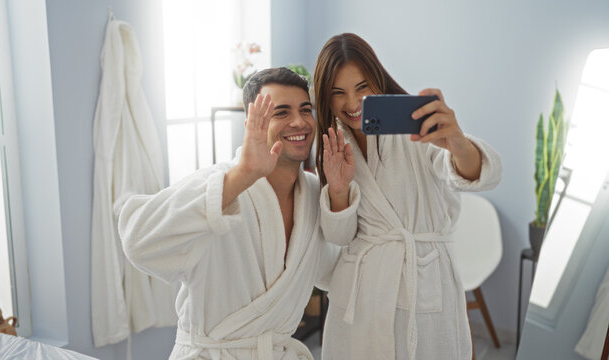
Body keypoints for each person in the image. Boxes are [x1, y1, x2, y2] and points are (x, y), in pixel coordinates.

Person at [118, 67, 359, 360]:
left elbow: (335, 272)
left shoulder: (311, 193)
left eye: (305, 109)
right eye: (280, 112)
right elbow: (138, 241)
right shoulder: (220, 185)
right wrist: (243, 174)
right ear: (251, 123)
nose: (299, 122)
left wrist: (339, 194)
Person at [313, 33, 503, 360]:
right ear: (324, 98)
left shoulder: (414, 127)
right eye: (337, 93)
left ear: (378, 79)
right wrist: (339, 189)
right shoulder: (332, 144)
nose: (352, 104)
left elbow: (478, 175)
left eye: (362, 88)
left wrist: (457, 142)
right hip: (360, 294)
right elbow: (339, 236)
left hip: (422, 280)